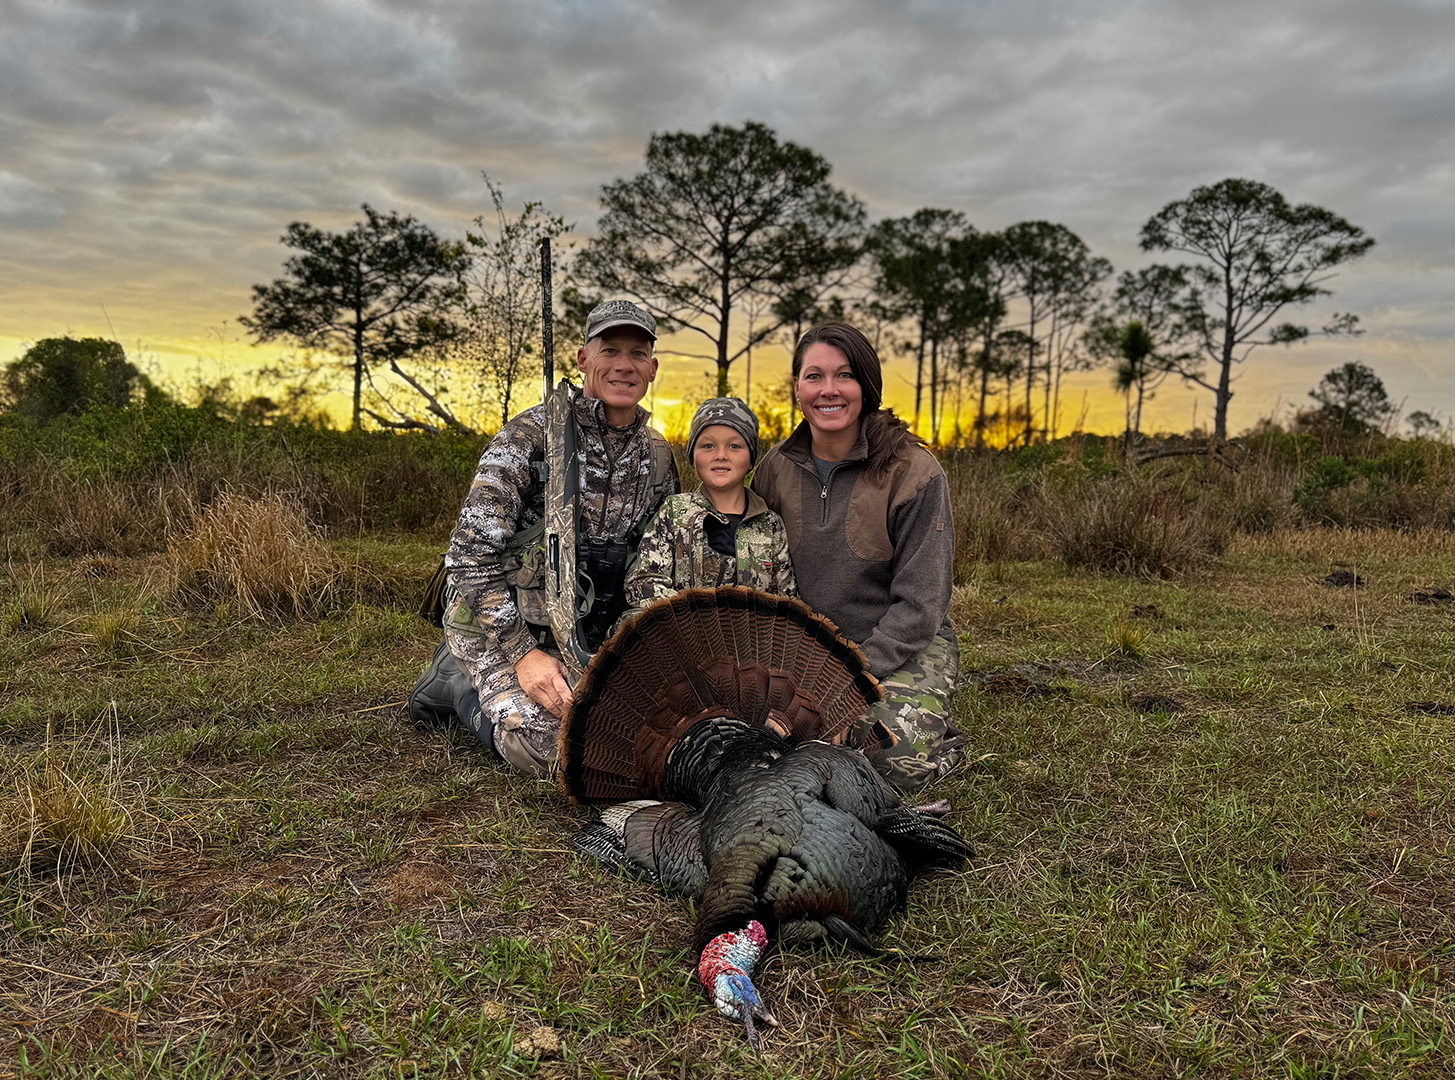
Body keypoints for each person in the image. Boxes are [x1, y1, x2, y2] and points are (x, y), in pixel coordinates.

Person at [408, 300, 679, 777]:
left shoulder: (657, 455)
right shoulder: (529, 437)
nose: (624, 365)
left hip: (590, 636)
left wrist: (634, 649)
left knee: (645, 739)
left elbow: (658, 565)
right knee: (560, 752)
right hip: (503, 631)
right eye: (610, 350)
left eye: (638, 354)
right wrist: (523, 655)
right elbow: (468, 558)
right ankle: (454, 681)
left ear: (652, 369)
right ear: (583, 359)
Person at [751, 322, 962, 793]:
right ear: (797, 388)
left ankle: (938, 740)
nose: (829, 390)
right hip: (806, 653)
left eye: (844, 375)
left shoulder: (916, 473)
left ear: (866, 385)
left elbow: (921, 606)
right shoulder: (774, 470)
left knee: (887, 761)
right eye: (814, 376)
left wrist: (847, 682)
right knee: (752, 744)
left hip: (899, 645)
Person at [618, 397, 796, 625]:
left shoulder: (770, 524)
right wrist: (694, 618)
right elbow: (642, 581)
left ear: (751, 459)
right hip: (686, 636)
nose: (721, 455)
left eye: (734, 446)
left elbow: (787, 601)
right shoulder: (674, 513)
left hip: (752, 640)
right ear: (693, 456)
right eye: (708, 446)